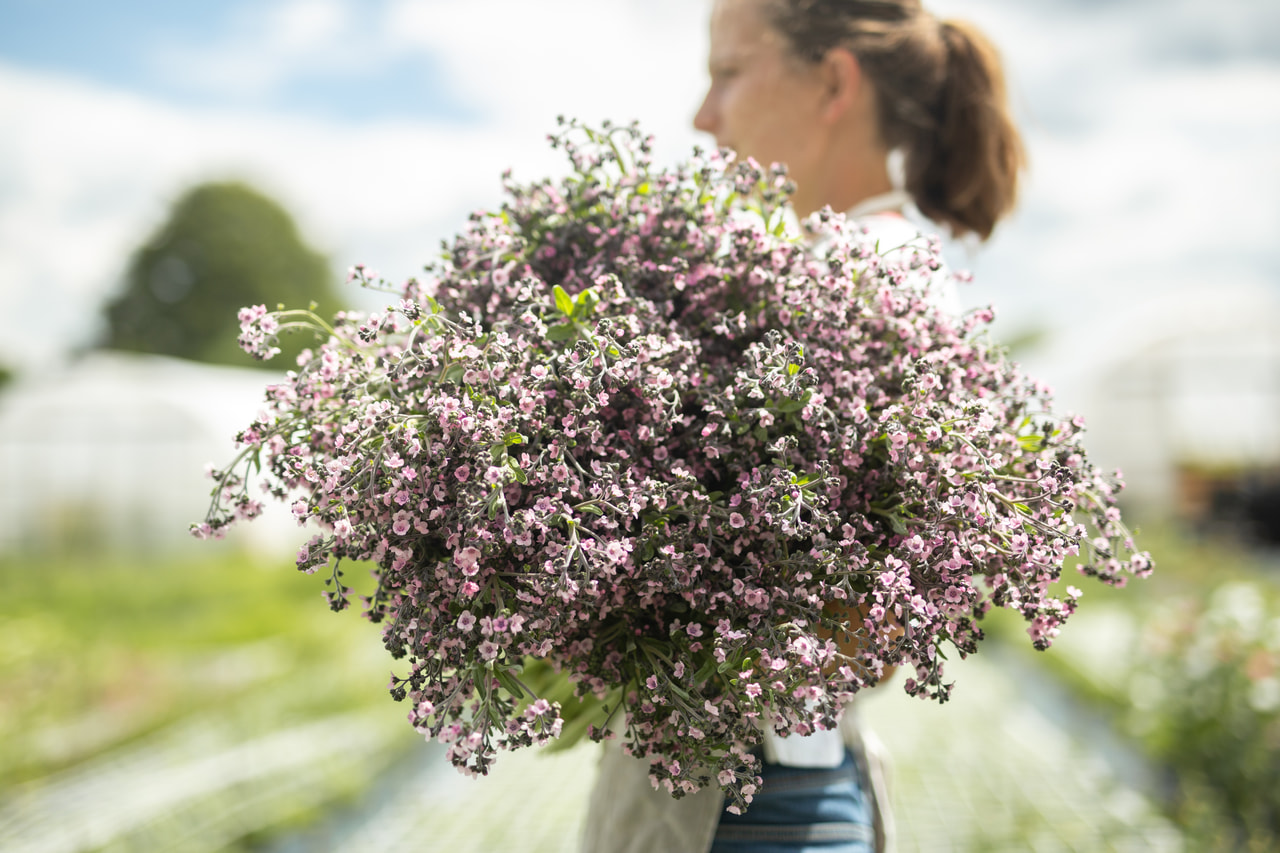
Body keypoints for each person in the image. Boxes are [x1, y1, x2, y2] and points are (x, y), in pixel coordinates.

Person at [581, 2, 1024, 851]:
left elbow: (873, 619)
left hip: (742, 812)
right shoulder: (834, 268)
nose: (703, 115)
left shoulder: (864, 278)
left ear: (833, 81)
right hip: (769, 789)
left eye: (730, 72)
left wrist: (627, 598)